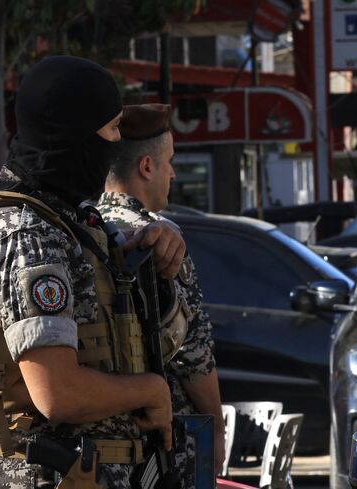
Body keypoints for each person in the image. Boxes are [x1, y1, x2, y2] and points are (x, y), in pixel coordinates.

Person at [0, 56, 186, 488]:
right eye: (111, 128)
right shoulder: (22, 234)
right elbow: (57, 393)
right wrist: (151, 390)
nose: (117, 143)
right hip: (51, 475)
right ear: (72, 132)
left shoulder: (69, 221)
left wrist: (153, 241)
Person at [95, 103, 226, 477]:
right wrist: (215, 429)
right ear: (146, 167)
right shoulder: (161, 241)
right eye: (168, 161)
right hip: (166, 448)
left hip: (96, 446)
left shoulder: (83, 232)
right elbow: (194, 356)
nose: (172, 173)